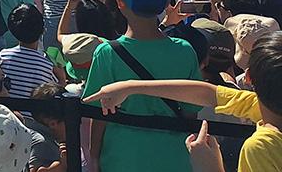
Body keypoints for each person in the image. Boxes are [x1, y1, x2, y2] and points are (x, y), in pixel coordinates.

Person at [86, 31, 282, 172]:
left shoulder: (261, 147)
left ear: (247, 77)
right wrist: (131, 86)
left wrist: (210, 166)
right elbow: (208, 94)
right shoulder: (264, 108)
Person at [83, 0, 203, 172]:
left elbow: (98, 114)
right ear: (166, 2)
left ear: (119, 1)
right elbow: (191, 113)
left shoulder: (107, 53)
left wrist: (93, 158)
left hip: (122, 157)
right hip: (174, 157)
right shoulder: (185, 51)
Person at [0, 4, 58, 101]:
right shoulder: (46, 65)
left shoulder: (3, 56)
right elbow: (53, 93)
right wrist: (62, 80)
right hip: (35, 115)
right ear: (43, 30)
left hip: (10, 111)